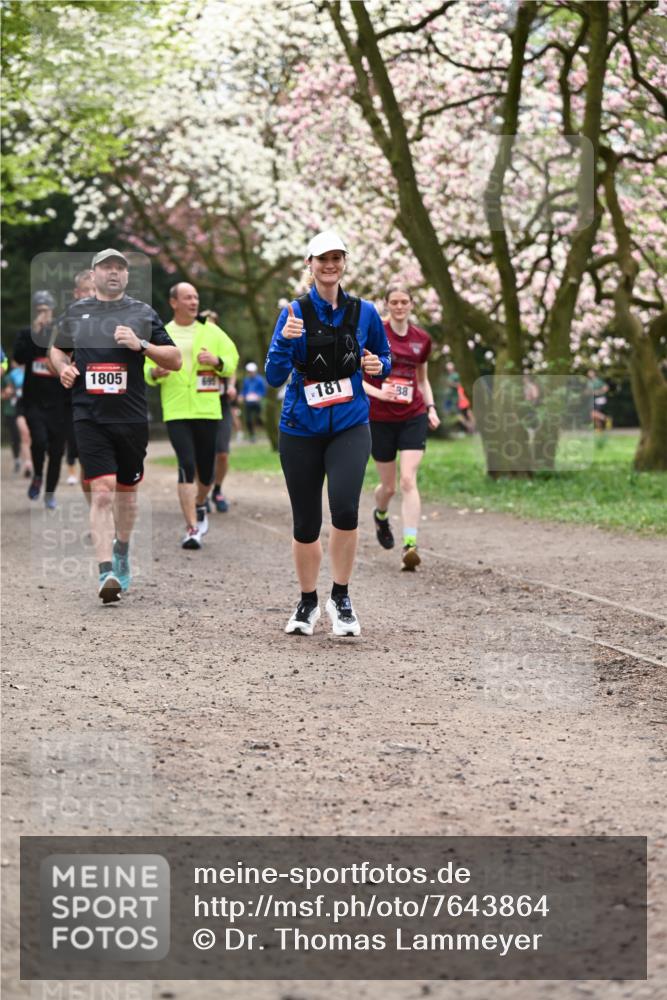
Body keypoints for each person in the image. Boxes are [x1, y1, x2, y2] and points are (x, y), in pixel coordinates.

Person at [265, 229, 391, 637]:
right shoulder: (294, 313)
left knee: (345, 509)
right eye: (322, 259)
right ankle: (306, 603)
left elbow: (382, 356)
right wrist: (285, 343)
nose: (330, 265)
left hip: (351, 424)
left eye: (337, 257)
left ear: (344, 263)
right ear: (310, 264)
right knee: (305, 521)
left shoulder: (365, 312)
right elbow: (272, 377)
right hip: (301, 427)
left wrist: (379, 367)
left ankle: (341, 597)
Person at [49, 249, 181, 603]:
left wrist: (141, 345)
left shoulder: (142, 313)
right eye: (106, 267)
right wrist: (63, 367)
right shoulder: (76, 313)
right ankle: (105, 570)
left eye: (120, 268)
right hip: (89, 414)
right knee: (103, 490)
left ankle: (121, 548)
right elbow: (57, 350)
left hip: (131, 417)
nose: (113, 272)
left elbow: (176, 359)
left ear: (126, 276)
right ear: (93, 275)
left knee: (126, 493)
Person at [145, 283, 239, 548]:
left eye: (196, 297)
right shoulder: (161, 332)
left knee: (206, 473)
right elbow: (147, 366)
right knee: (186, 463)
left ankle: (200, 502)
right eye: (187, 297)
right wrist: (154, 374)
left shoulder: (212, 331)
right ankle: (192, 528)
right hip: (176, 409)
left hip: (207, 409)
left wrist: (217, 362)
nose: (193, 301)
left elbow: (232, 359)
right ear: (174, 302)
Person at [364, 284, 440, 571]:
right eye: (393, 302)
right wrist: (380, 394)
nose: (399, 306)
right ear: (386, 305)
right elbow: (357, 379)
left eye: (404, 301)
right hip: (381, 417)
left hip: (413, 414)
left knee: (409, 479)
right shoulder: (374, 335)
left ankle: (410, 545)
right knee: (389, 486)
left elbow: (422, 380)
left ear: (411, 305)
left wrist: (431, 408)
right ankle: (381, 515)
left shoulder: (422, 339)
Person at [13, 290, 67, 509]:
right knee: (40, 441)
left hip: (59, 402)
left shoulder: (61, 333)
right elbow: (18, 357)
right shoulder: (27, 333)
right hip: (34, 401)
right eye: (39, 310)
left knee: (56, 451)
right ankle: (37, 475)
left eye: (46, 309)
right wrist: (35, 332)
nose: (43, 313)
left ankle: (50, 493)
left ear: (53, 310)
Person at [200, 308, 239, 513]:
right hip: (200, 404)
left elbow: (231, 367)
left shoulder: (223, 343)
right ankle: (202, 493)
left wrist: (232, 385)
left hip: (222, 404)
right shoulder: (196, 342)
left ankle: (217, 489)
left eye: (213, 322)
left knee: (222, 453)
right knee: (203, 453)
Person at [65, 269, 96, 487]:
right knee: (89, 463)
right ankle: (97, 507)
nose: (91, 295)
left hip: (115, 402)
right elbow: (54, 355)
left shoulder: (118, 315)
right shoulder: (69, 318)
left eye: (95, 290)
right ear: (77, 293)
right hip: (80, 397)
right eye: (86, 290)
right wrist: (65, 367)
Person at [241, 362, 266, 441]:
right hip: (248, 402)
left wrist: (259, 396)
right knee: (248, 419)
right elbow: (244, 391)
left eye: (251, 371)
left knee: (259, 418)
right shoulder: (246, 380)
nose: (250, 373)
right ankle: (252, 435)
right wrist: (241, 396)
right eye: (249, 372)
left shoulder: (260, 380)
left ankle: (264, 433)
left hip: (257, 402)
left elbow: (263, 391)